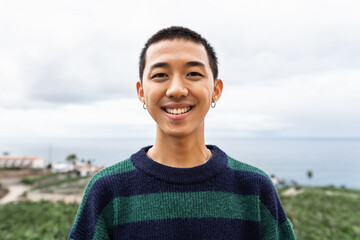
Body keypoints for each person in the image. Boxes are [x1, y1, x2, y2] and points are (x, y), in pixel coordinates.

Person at [68, 26, 296, 240]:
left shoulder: (254, 190)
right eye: (160, 75)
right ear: (141, 92)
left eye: (193, 74)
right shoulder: (108, 191)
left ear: (216, 90)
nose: (176, 89)